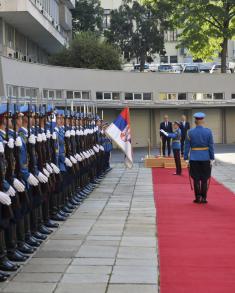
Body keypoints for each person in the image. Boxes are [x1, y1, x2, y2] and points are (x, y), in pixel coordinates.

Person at [184, 112, 215, 204]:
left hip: (194, 158)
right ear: (203, 121)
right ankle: (204, 198)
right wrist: (212, 158)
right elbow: (211, 146)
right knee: (204, 179)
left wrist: (186, 157)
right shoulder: (208, 131)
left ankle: (198, 198)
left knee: (196, 179)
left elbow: (187, 146)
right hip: (205, 158)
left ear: (195, 121)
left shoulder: (190, 132)